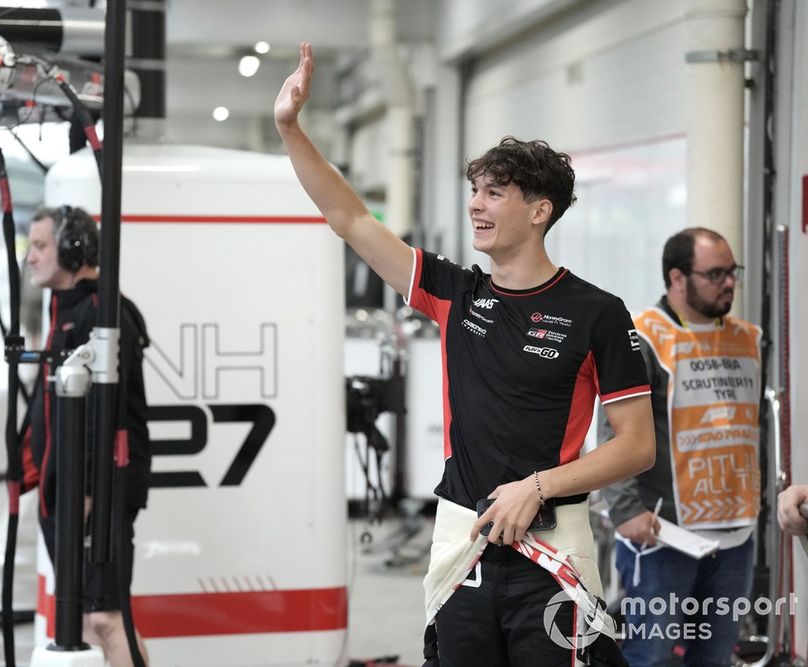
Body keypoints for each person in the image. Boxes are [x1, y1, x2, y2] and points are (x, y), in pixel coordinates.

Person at [276, 42, 654, 666]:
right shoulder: (454, 292)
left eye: (494, 193)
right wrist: (290, 127)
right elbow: (349, 218)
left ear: (539, 211)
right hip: (465, 548)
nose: (475, 204)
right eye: (474, 190)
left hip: (553, 554)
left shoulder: (598, 313)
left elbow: (636, 445)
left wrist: (539, 486)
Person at [600, 227, 762, 666]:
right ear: (676, 278)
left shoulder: (747, 339)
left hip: (734, 536)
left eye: (732, 272)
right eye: (715, 273)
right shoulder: (643, 336)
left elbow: (754, 427)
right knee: (648, 657)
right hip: (661, 535)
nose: (728, 282)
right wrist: (624, 509)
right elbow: (614, 430)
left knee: (714, 658)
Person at [22, 205, 152, 666]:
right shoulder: (67, 312)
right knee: (79, 621)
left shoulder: (101, 312)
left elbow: (110, 413)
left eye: (40, 246)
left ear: (73, 249)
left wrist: (91, 492)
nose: (30, 257)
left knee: (106, 620)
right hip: (68, 495)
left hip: (96, 496)